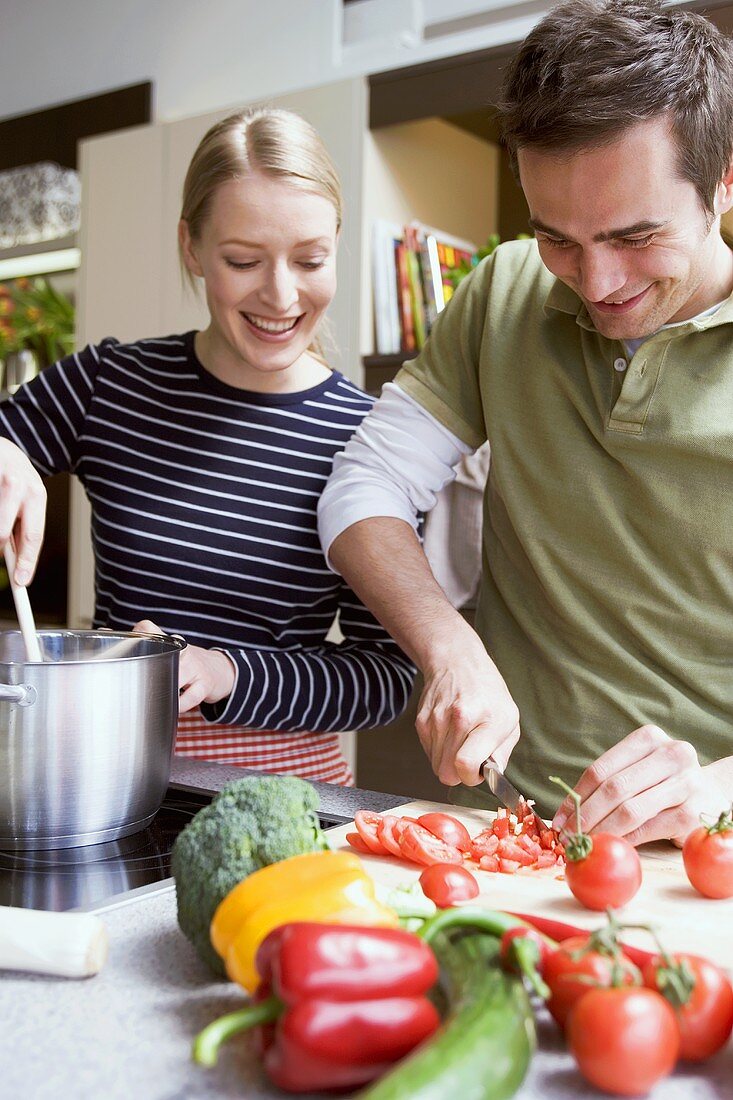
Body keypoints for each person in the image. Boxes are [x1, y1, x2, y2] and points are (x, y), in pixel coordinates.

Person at [318, 0, 733, 839]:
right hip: (504, 834)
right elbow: (362, 486)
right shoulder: (502, 291)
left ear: (723, 183)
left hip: (704, 859)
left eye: (634, 235)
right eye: (558, 238)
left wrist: (719, 788)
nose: (597, 279)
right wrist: (447, 645)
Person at [0, 106, 414, 785]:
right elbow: (7, 434)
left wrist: (224, 670)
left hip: (286, 791)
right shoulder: (114, 382)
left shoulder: (366, 437)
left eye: (310, 259)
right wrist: (7, 451)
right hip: (109, 770)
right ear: (191, 247)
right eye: (243, 260)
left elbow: (384, 676)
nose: (281, 295)